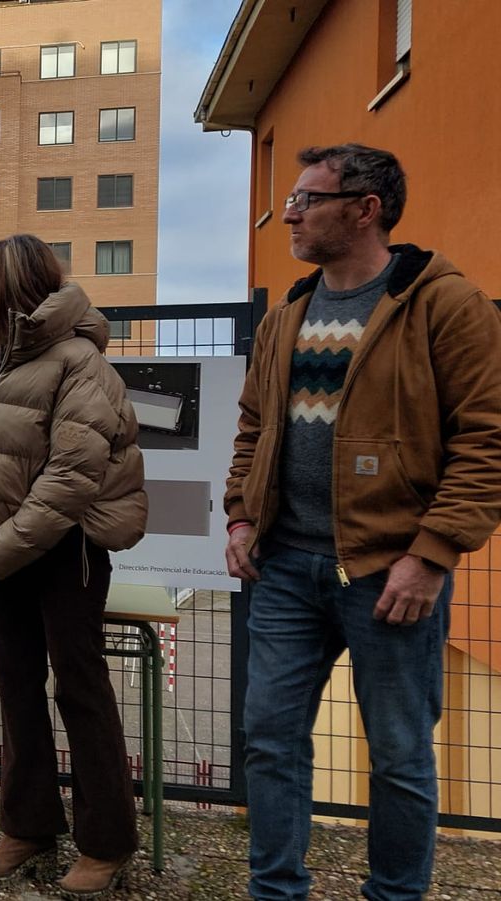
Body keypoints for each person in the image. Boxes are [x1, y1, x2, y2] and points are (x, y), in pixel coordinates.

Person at [225, 144, 501, 901]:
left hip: (392, 571)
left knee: (400, 755)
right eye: (291, 198)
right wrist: (243, 517)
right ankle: (275, 891)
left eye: (308, 198)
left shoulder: (444, 303)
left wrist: (433, 555)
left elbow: (487, 441)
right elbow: (253, 427)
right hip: (283, 567)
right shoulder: (289, 313)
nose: (290, 212)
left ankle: (394, 895)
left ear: (365, 207)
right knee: (270, 743)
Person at [0, 234, 148, 897]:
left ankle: (106, 841)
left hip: (69, 550)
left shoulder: (78, 361)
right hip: (8, 545)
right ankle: (28, 826)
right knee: (15, 686)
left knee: (80, 689)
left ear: (6, 292)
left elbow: (71, 478)